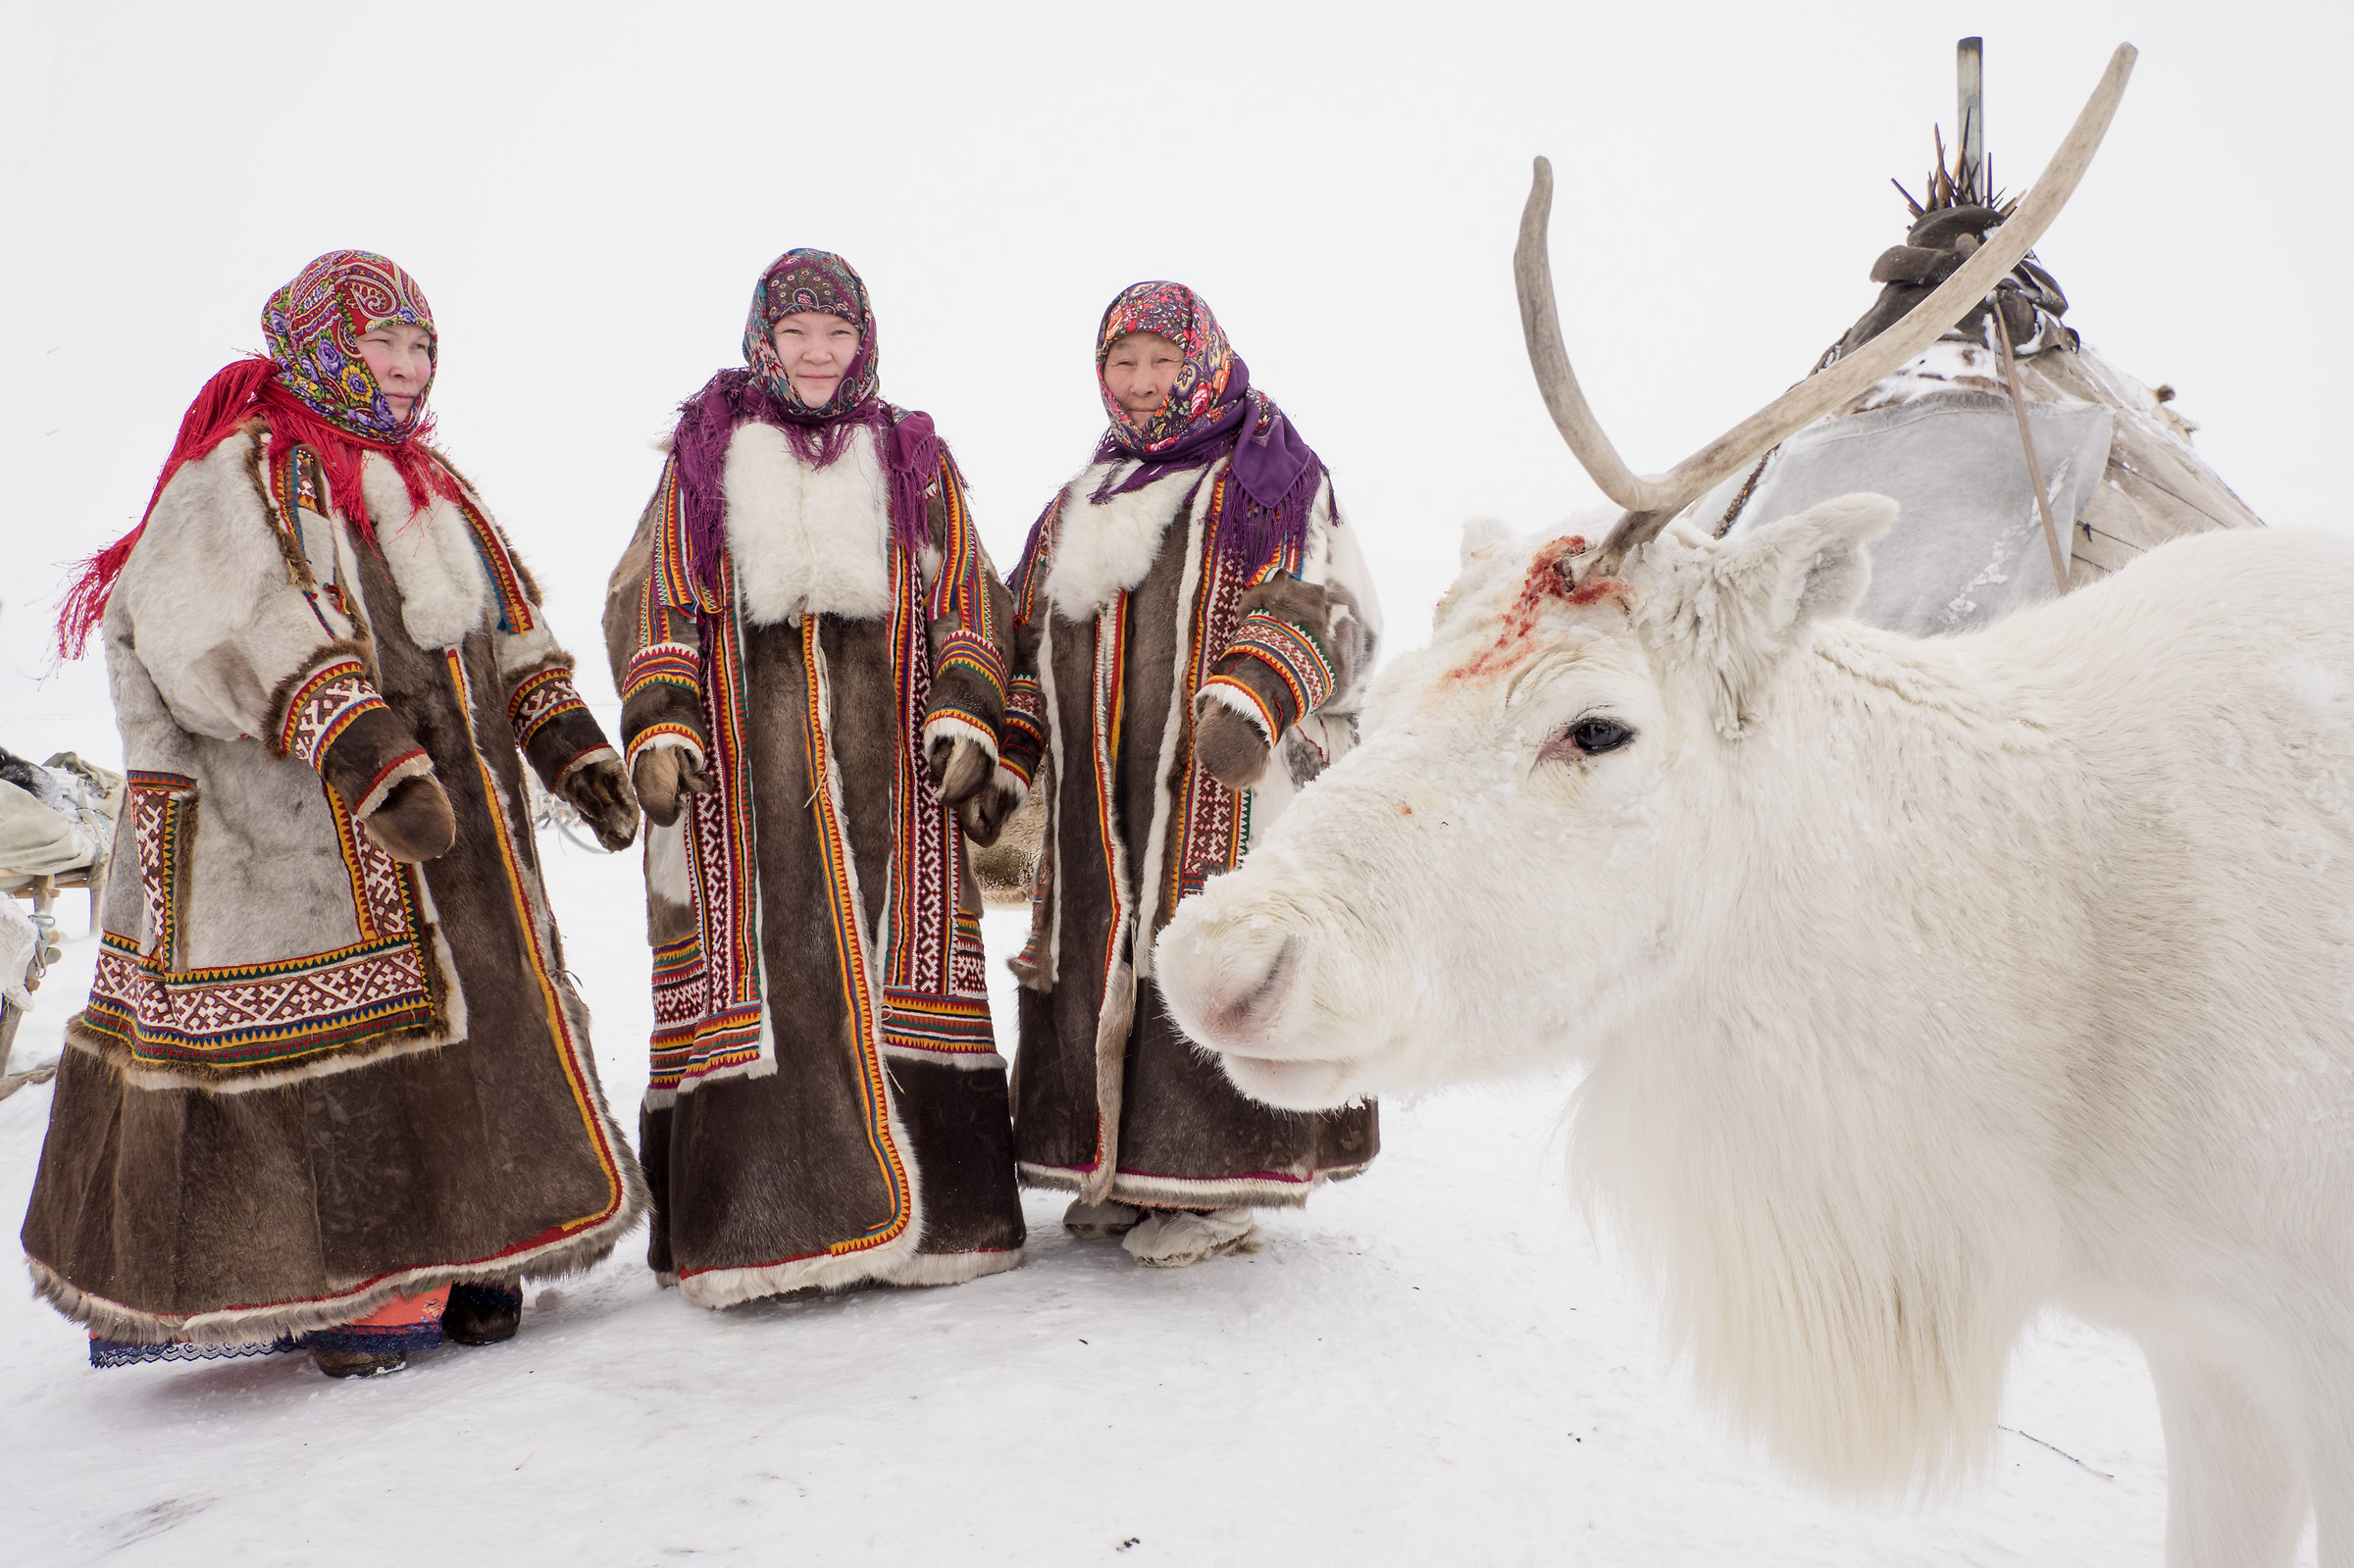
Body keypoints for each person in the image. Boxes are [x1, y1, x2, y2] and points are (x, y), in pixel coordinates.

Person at [22, 251, 647, 1377]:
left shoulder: (427, 481)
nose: (405, 370)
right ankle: (366, 1295)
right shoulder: (239, 472)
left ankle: (476, 1257)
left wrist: (567, 743)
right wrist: (363, 749)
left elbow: (508, 629)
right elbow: (217, 624)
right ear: (319, 347)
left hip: (460, 835)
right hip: (302, 836)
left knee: (484, 1021)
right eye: (380, 346)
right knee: (352, 1060)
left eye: (419, 348)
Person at [604, 249, 1024, 1303]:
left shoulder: (913, 456)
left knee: (901, 974)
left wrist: (966, 707)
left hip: (896, 781)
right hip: (746, 781)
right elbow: (658, 599)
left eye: (837, 334)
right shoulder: (704, 454)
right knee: (764, 974)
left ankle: (941, 1227)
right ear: (764, 338)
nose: (820, 354)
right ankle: (762, 1238)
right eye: (799, 334)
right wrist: (661, 720)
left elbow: (971, 594)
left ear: (864, 339)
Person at [980, 281, 1382, 1266]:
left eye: (1163, 360)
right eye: (1124, 363)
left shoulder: (1272, 479)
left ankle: (1218, 1189)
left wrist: (1253, 696)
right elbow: (1025, 634)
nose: (1143, 381)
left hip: (1229, 781)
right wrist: (1010, 753)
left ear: (1202, 360)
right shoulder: (1084, 498)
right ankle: (1118, 1170)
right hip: (1095, 793)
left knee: (1209, 952)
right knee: (1098, 957)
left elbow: (1329, 603)